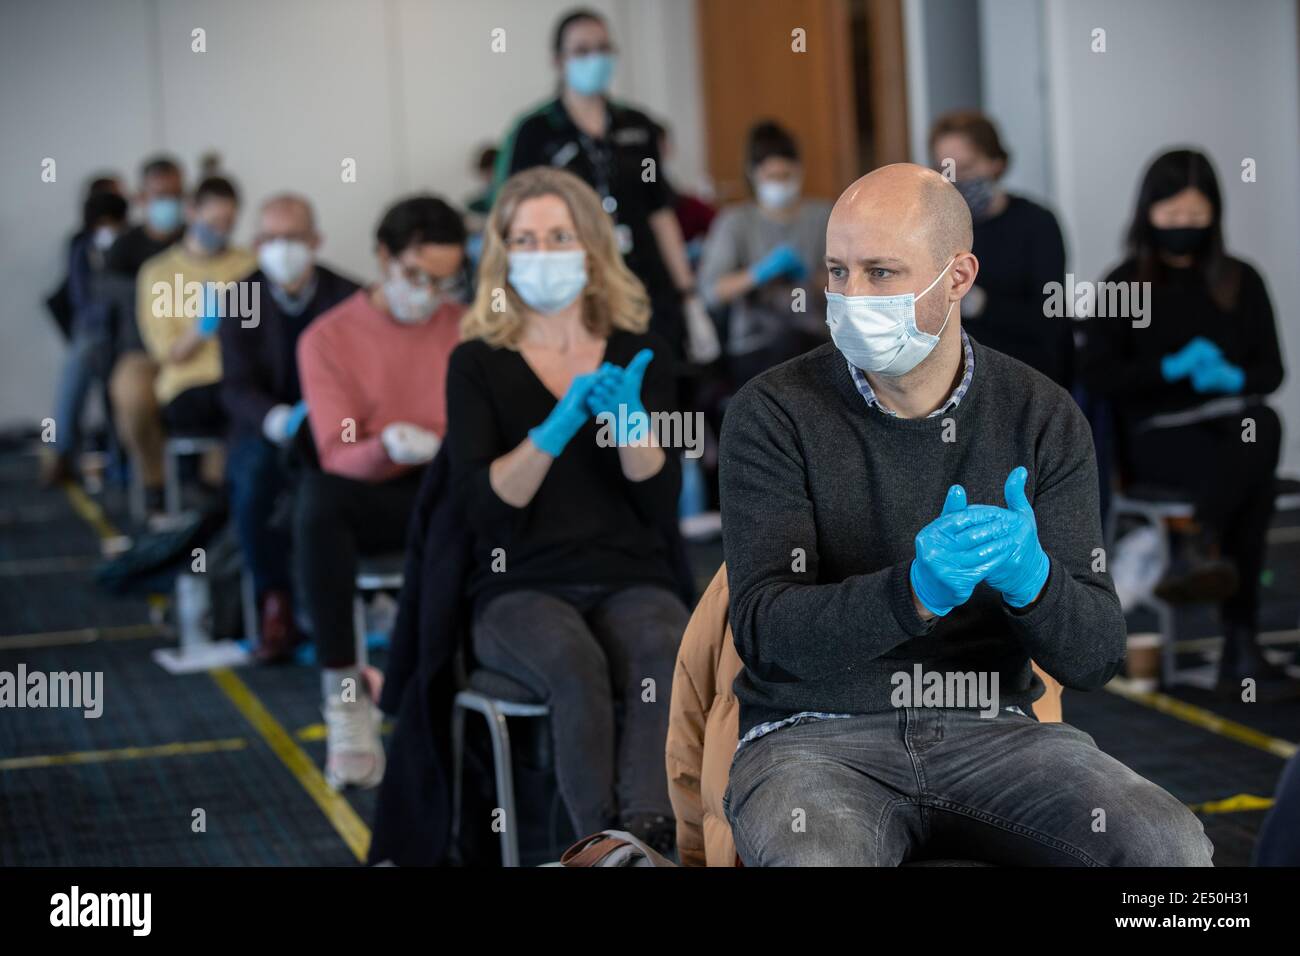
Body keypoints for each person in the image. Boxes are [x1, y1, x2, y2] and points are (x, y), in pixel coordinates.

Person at [717, 163, 1213, 866]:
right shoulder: (774, 413)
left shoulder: (1042, 416)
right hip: (814, 738)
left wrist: (1034, 580)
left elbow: (1097, 657)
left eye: (882, 273)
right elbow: (765, 631)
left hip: (995, 730)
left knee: (1169, 847)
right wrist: (912, 594)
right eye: (837, 271)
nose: (851, 297)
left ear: (957, 277)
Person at [446, 167, 689, 851]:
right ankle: (600, 849)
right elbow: (486, 508)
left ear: (590, 246)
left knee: (663, 645)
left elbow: (661, 503)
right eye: (526, 238)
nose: (543, 252)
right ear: (502, 252)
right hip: (517, 581)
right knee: (572, 663)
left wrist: (634, 428)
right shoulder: (476, 362)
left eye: (558, 236)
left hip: (628, 571)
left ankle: (644, 836)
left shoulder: (642, 352)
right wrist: (554, 428)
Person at [1080, 148, 1292, 699]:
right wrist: (1167, 371)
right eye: (1171, 217)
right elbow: (1099, 375)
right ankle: (1240, 644)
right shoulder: (1123, 282)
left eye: (1195, 218)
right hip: (1156, 438)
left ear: (1213, 215)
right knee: (1255, 481)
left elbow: (1271, 371)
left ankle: (1200, 543)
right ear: (1148, 213)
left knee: (1259, 426)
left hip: (1225, 427)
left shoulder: (1240, 280)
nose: (1183, 229)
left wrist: (1231, 376)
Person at [295, 195, 466, 790]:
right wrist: (386, 447)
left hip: (446, 489)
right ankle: (345, 697)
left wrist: (439, 445)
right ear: (383, 258)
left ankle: (455, 678)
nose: (430, 292)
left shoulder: (464, 326)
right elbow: (336, 454)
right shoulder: (328, 338)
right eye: (416, 275)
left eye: (445, 280)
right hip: (370, 491)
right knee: (316, 506)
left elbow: (487, 432)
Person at [494, 7, 717, 366]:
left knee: (659, 394)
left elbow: (660, 212)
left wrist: (688, 295)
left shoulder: (637, 126)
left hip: (646, 283)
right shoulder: (535, 133)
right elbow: (511, 219)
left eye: (603, 48)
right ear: (558, 60)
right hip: (575, 286)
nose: (594, 58)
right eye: (582, 50)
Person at [218, 194, 359, 663]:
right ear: (257, 244)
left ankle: (357, 597)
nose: (282, 249)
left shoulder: (348, 296)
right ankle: (274, 600)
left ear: (315, 240)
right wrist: (277, 420)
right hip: (266, 429)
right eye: (271, 239)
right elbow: (235, 387)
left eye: (293, 238)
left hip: (335, 425)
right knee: (256, 478)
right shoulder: (243, 298)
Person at [930, 111, 1072, 389]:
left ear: (996, 163)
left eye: (967, 167)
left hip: (1025, 377)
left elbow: (1050, 320)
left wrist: (984, 305)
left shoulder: (1036, 223)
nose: (957, 179)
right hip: (953, 382)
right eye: (946, 169)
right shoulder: (933, 228)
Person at [697, 120, 831, 385]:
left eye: (786, 176)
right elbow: (711, 291)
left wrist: (813, 278)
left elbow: (851, 283)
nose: (780, 184)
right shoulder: (735, 222)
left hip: (814, 337)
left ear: (799, 172)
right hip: (755, 345)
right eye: (772, 177)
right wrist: (758, 274)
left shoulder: (823, 216)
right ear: (753, 174)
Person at [105, 156, 186, 510]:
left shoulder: (193, 242)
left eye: (176, 194)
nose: (169, 203)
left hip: (192, 350)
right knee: (134, 398)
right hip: (141, 351)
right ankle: (154, 481)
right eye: (160, 195)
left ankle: (212, 486)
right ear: (142, 198)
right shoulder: (125, 249)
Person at [43, 188, 129, 485]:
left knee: (117, 399)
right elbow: (80, 298)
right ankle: (60, 454)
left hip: (124, 334)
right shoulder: (81, 248)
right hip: (92, 332)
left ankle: (121, 465)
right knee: (71, 390)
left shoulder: (128, 246)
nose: (107, 230)